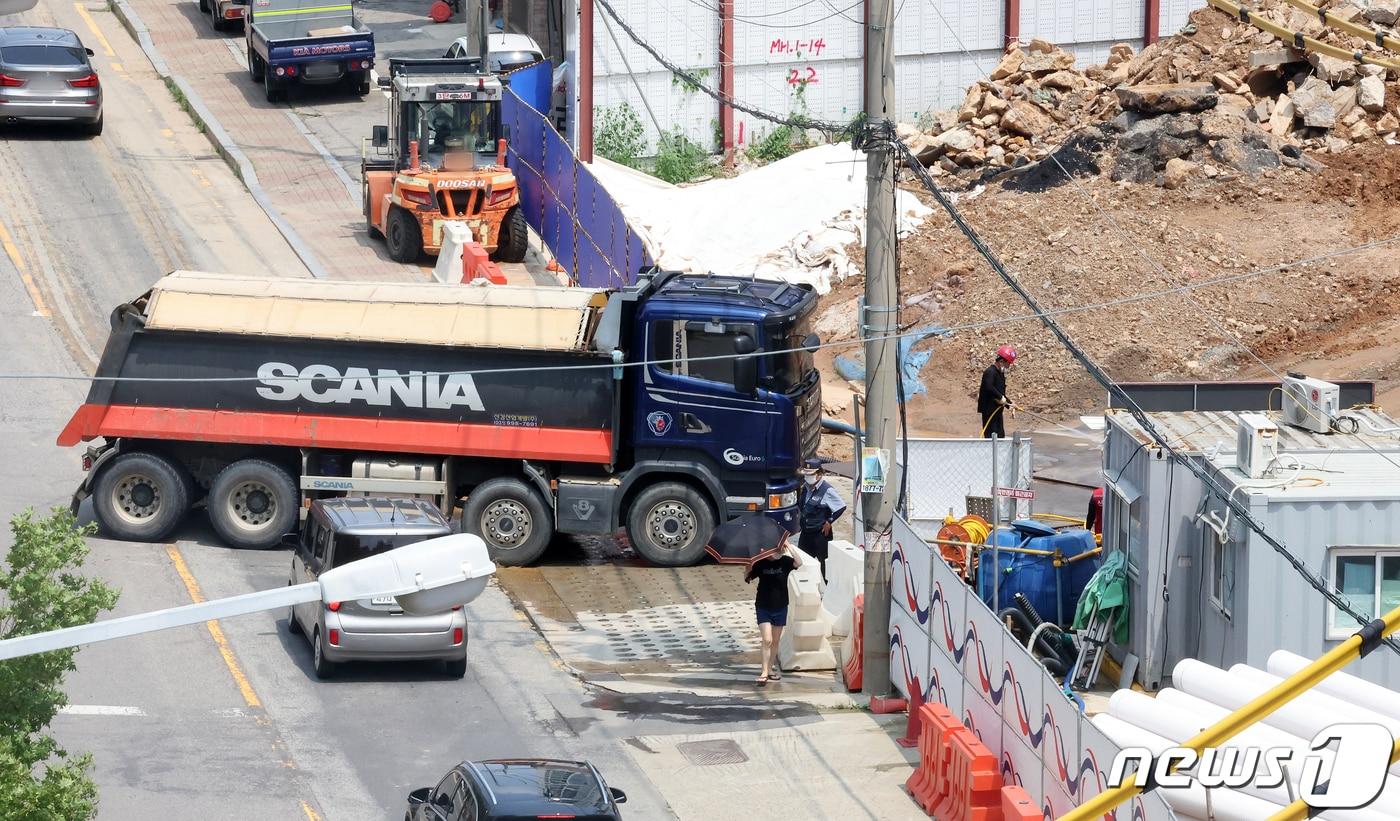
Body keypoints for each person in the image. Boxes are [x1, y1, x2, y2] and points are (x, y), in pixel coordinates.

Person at [745, 542, 802, 685]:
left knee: (775, 641)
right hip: (763, 606)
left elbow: (799, 562)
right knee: (767, 640)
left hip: (781, 606)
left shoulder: (785, 562)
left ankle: (770, 669)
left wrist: (789, 545)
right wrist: (747, 565)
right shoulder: (760, 563)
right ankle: (764, 671)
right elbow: (748, 577)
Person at [797, 457, 846, 582]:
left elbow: (841, 507)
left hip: (820, 535)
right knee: (802, 564)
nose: (807, 477)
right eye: (806, 474)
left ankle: (829, 592)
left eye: (811, 474)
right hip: (806, 533)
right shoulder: (806, 488)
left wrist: (829, 521)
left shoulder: (827, 490)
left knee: (825, 566)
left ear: (819, 474)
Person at [977, 345, 1017, 439]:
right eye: (1008, 364)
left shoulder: (1000, 374)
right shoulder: (990, 372)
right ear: (1001, 361)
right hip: (989, 410)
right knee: (992, 437)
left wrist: (1010, 405)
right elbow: (989, 387)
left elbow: (1000, 392)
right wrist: (1001, 398)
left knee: (1000, 436)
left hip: (997, 410)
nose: (1008, 366)